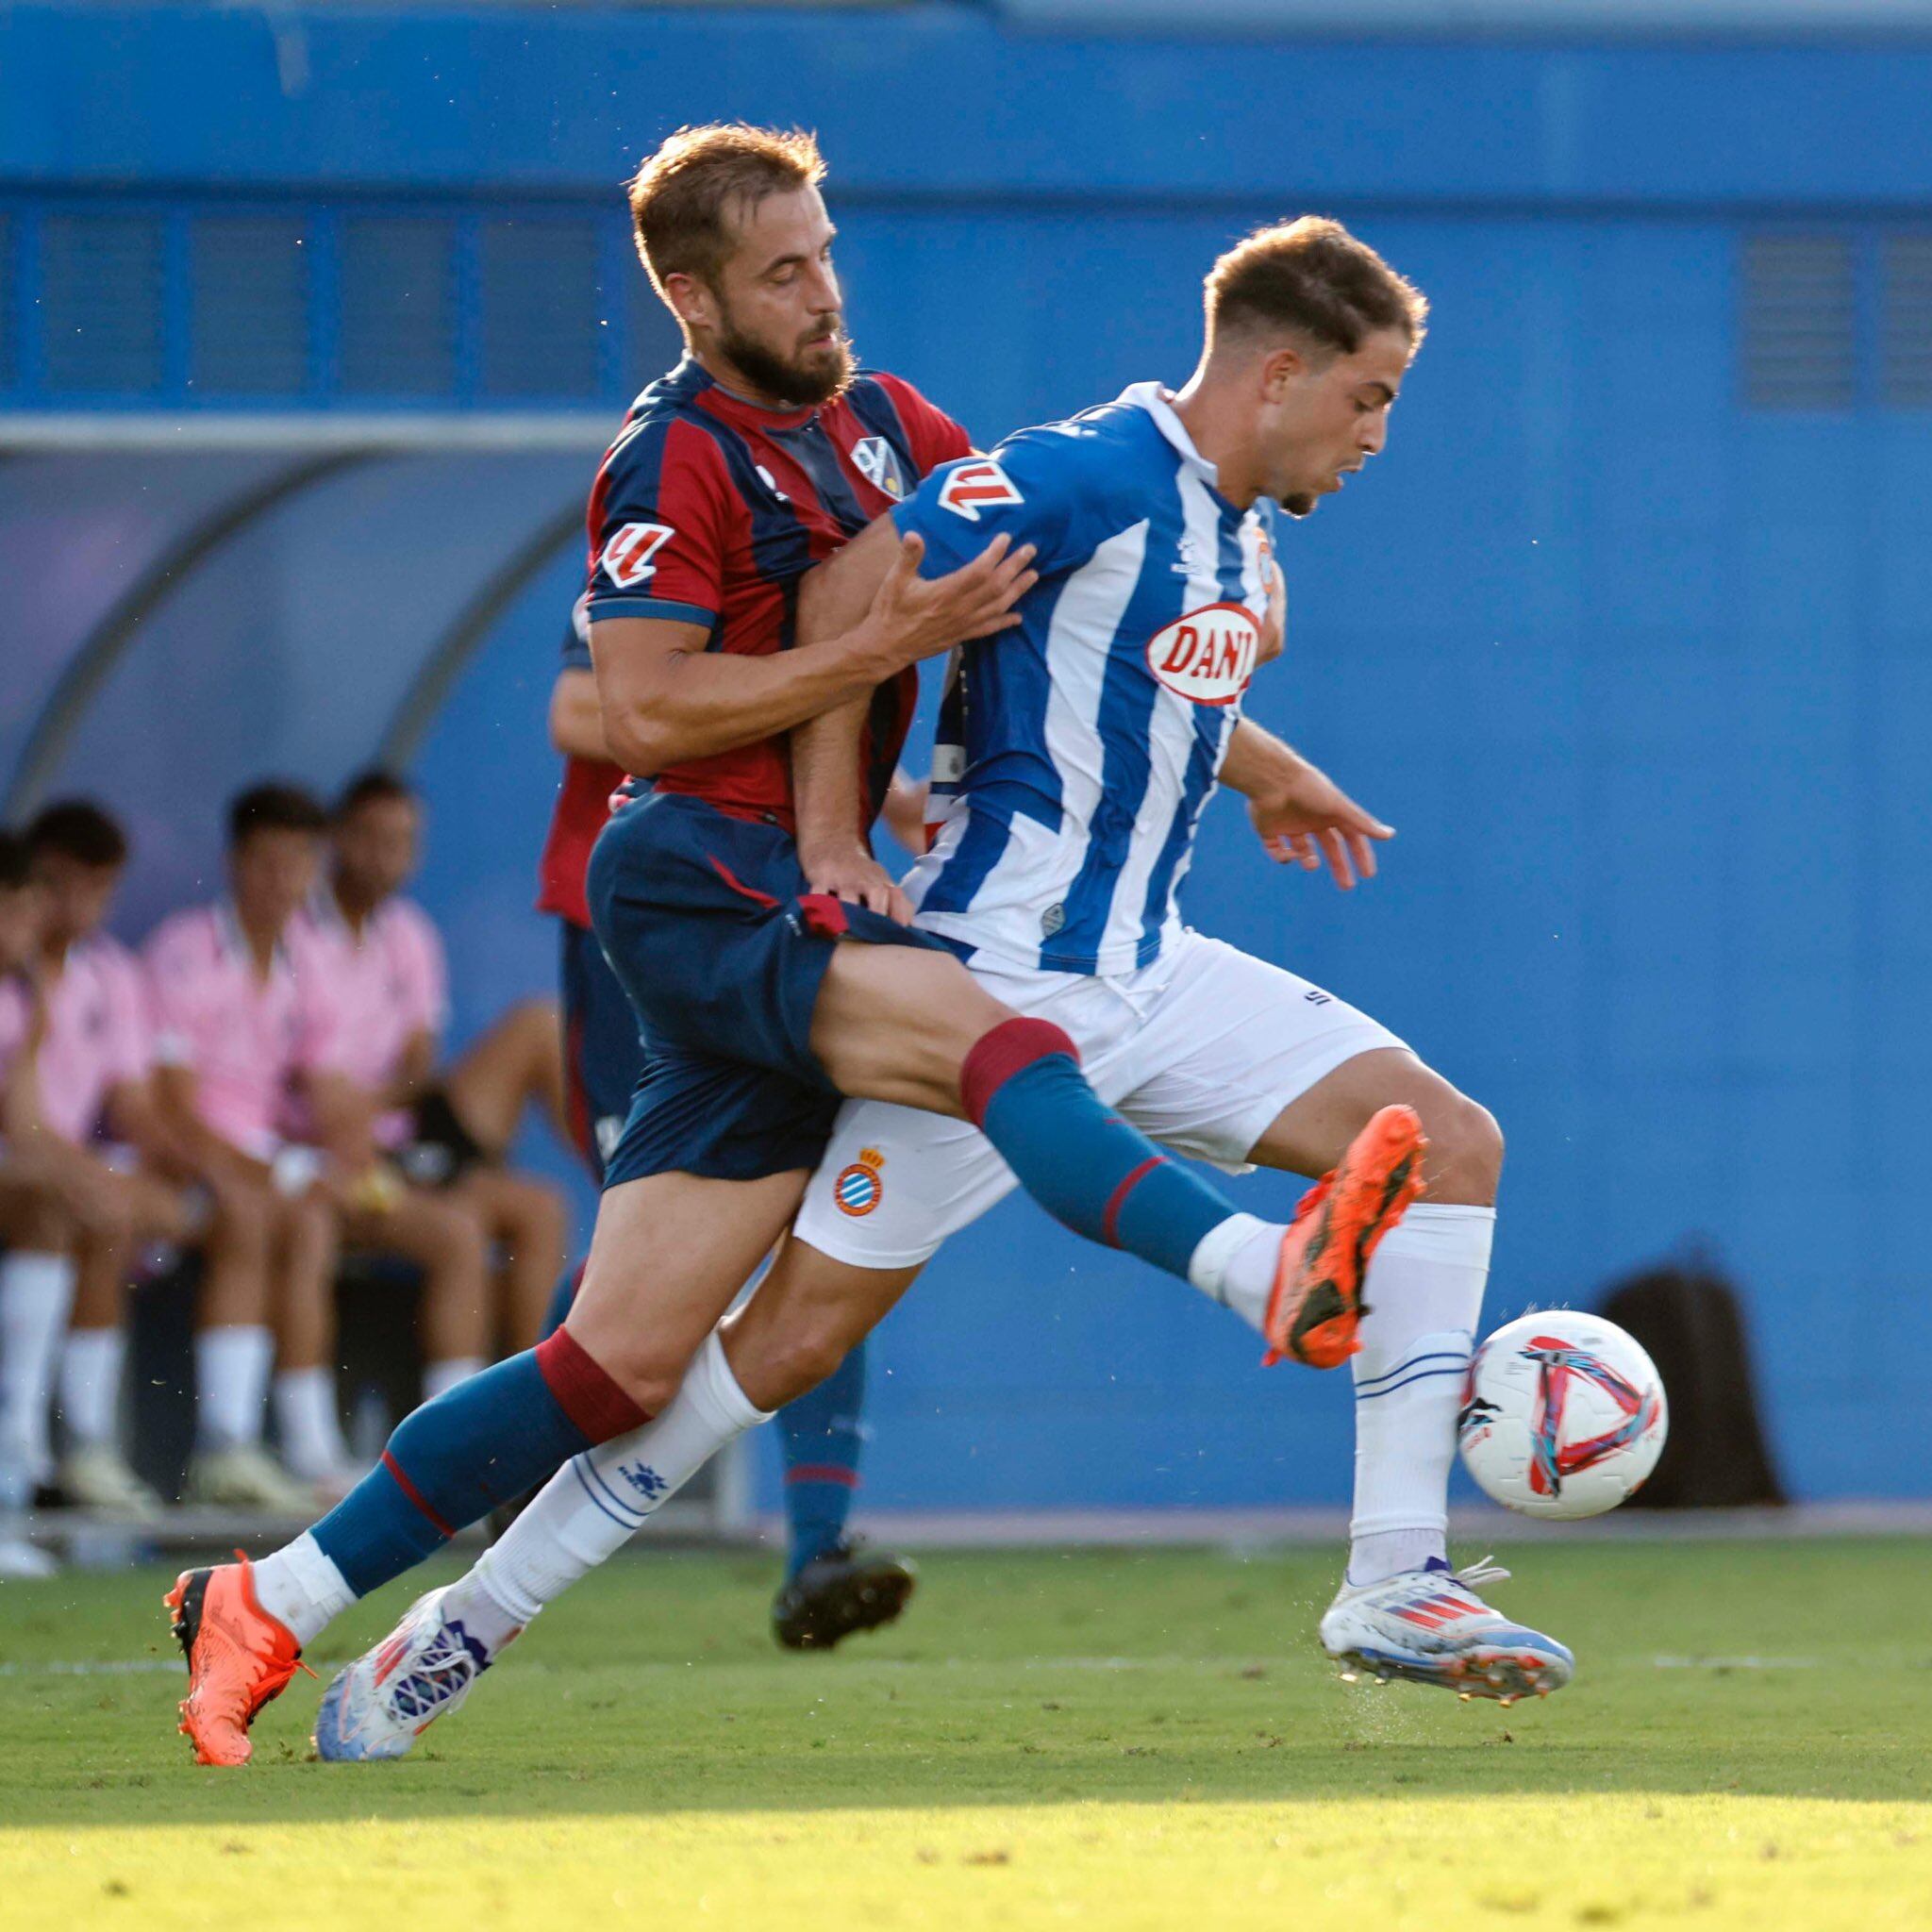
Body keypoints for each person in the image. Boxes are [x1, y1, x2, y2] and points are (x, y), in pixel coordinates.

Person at [166, 131, 1414, 1766]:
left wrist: (1255, 761)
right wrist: (857, 727)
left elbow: (1037, 617)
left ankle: (274, 1590)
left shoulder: (889, 421)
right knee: (1001, 1045)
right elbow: (642, 706)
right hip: (697, 876)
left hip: (790, 888)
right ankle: (1261, 1267)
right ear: (688, 295)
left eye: (824, 253)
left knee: (611, 1364)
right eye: (780, 270)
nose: (821, 290)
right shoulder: (667, 459)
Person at [543, 583, 919, 1649]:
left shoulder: (831, 558)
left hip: (783, 926)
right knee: (650, 1251)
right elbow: (588, 714)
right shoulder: (662, 541)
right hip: (637, 937)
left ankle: (815, 1547)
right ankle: (503, 1475)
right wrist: (794, 697)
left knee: (829, 1220)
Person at [11, 801, 289, 1520]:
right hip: (34, 1172)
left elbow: (134, 1106)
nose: (75, 905)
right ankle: (47, 1454)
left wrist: (212, 1173)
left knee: (220, 1212)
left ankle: (223, 1447)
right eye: (57, 885)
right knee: (81, 1204)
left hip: (67, 1164)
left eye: (96, 888)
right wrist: (84, 1175)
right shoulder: (16, 978)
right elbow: (23, 1125)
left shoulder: (107, 973)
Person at [291, 770, 568, 1369]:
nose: (390, 857)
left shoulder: (408, 933)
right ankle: (468, 1417)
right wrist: (363, 1109)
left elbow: (420, 1064)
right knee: (463, 1228)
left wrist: (380, 1101)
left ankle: (539, 1400)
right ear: (339, 838)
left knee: (543, 1203)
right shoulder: (296, 935)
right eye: (374, 838)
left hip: (402, 1122)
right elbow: (313, 1087)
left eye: (404, 841)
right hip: (342, 1145)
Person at [142, 785, 357, 1509]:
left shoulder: (312, 958)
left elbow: (327, 1092)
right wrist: (273, 1170)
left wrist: (344, 1159)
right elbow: (171, 1109)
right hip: (183, 1166)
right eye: (266, 863)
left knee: (314, 1215)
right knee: (258, 1210)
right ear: (234, 864)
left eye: (298, 864)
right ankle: (224, 1446)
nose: (281, 882)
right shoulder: (183, 949)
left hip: (265, 1169)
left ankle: (311, 1451)